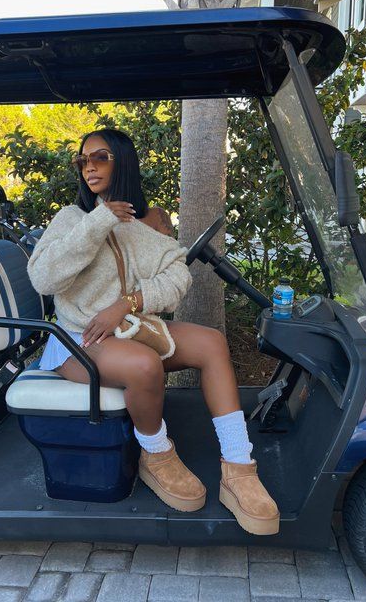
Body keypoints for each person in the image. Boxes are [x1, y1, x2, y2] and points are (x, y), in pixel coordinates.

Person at [27, 128, 279, 535]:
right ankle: (157, 454)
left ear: (123, 160)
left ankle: (238, 467)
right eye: (83, 159)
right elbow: (43, 277)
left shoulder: (147, 222)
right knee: (145, 366)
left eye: (101, 156)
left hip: (130, 327)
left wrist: (127, 304)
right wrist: (100, 220)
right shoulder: (72, 220)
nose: (89, 165)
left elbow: (177, 276)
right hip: (78, 340)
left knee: (212, 343)